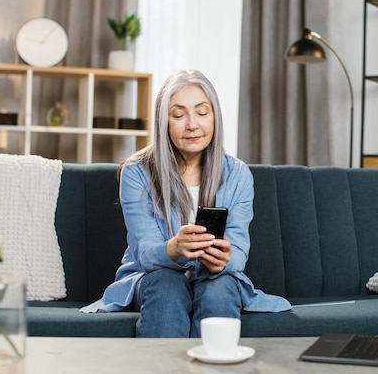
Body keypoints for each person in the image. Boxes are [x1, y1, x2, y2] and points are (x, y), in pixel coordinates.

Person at [81, 69, 291, 337]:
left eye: (202, 113)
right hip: (154, 279)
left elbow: (238, 251)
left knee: (220, 286)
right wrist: (173, 248)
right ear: (163, 122)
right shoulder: (136, 171)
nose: (192, 124)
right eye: (179, 115)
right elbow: (144, 253)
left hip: (214, 279)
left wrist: (223, 261)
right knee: (168, 282)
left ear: (215, 117)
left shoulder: (238, 174)